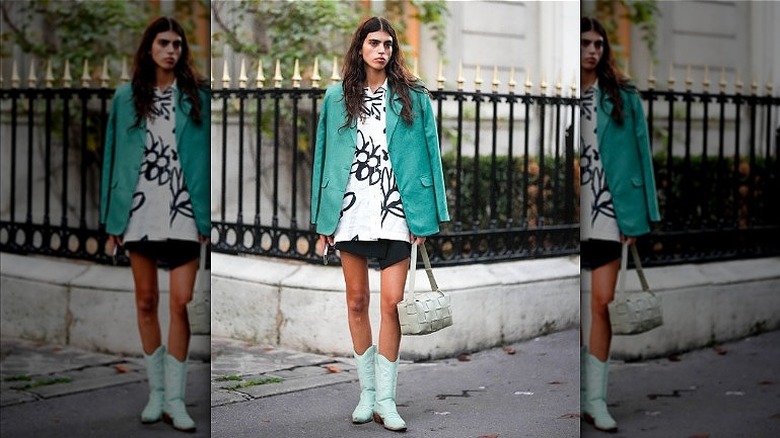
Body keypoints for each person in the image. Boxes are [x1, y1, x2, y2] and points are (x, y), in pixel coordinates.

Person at [310, 16, 450, 432]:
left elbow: (431, 155)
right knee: (356, 301)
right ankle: (366, 394)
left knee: (391, 304)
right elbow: (322, 159)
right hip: (350, 209)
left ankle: (387, 400)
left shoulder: (413, 96)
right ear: (360, 48)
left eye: (388, 44)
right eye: (374, 43)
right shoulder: (336, 98)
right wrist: (322, 219)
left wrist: (429, 214)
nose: (381, 50)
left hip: (398, 211)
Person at [100, 17, 210, 432]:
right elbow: (112, 159)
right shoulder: (126, 97)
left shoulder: (198, 97)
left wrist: (209, 215)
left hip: (184, 211)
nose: (171, 50)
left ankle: (177, 401)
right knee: (146, 301)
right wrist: (110, 221)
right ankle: (157, 395)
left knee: (180, 303)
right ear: (149, 48)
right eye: (163, 43)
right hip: (138, 211)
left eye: (177, 44)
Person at [579, 17, 661, 433]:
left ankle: (595, 399)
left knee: (600, 304)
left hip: (610, 214)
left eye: (599, 44)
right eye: (585, 43)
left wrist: (643, 214)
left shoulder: (620, 95)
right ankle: (577, 394)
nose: (593, 50)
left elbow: (641, 153)